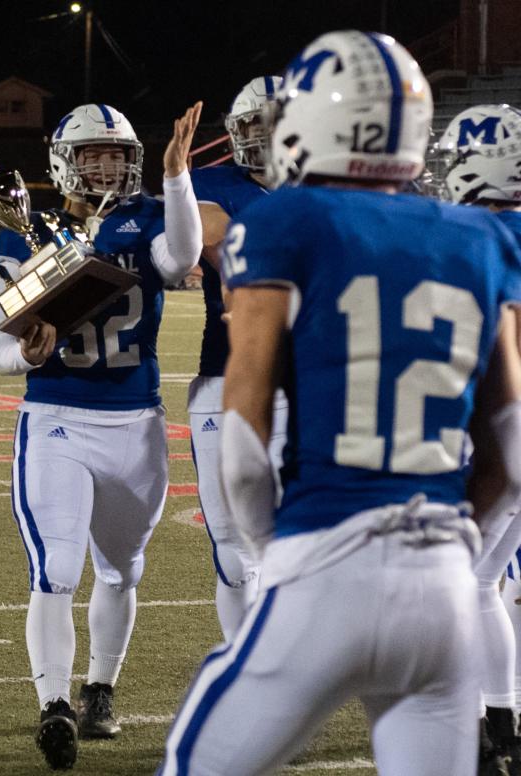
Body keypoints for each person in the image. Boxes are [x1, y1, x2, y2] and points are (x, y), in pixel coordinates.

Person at [159, 31, 521, 776]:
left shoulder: (285, 221)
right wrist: (452, 542)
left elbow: (246, 443)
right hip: (445, 596)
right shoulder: (481, 236)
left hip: (327, 565)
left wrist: (277, 554)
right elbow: (512, 452)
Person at [0, 101, 202, 769]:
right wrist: (24, 354)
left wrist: (176, 176)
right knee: (55, 569)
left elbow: (186, 257)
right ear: (64, 163)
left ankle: (100, 689)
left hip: (135, 423)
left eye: (119, 154)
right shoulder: (26, 235)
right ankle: (54, 704)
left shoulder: (146, 222)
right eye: (95, 155)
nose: (110, 165)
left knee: (122, 568)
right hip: (56, 419)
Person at [187, 76, 288, 641]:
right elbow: (223, 253)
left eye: (275, 121)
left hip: (305, 380)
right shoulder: (211, 183)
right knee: (230, 542)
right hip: (225, 372)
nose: (265, 134)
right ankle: (246, 663)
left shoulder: (323, 187)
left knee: (294, 536)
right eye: (254, 122)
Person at [438, 103, 521, 772]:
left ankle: (466, 728)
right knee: (485, 579)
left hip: (503, 431)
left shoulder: (486, 240)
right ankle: (502, 720)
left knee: (451, 584)